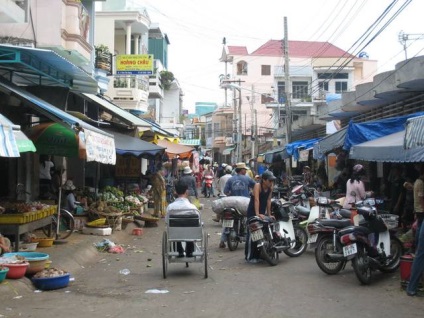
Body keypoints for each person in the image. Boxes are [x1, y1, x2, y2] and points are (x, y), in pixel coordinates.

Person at [219, 162, 256, 248]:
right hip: (244, 204)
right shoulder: (247, 179)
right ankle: (250, 238)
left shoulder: (231, 179)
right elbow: (256, 186)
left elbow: (225, 192)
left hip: (232, 204)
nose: (245, 171)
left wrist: (231, 194)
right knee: (249, 219)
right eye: (244, 169)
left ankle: (222, 240)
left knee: (227, 222)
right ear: (242, 170)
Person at [245, 170, 276, 263]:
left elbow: (269, 201)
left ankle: (260, 255)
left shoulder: (271, 188)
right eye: (270, 181)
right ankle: (249, 256)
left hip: (262, 212)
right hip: (252, 212)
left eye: (272, 181)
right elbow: (256, 200)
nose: (271, 183)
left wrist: (269, 214)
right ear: (264, 180)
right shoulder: (257, 186)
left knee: (261, 234)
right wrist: (257, 214)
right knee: (252, 235)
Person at [165, 181, 200, 258]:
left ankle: (179, 251)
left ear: (175, 192)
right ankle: (190, 251)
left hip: (175, 233)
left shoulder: (170, 207)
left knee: (174, 228)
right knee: (191, 227)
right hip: (191, 233)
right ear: (186, 191)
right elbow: (198, 222)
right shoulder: (193, 208)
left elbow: (166, 221)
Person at [406, 164, 424, 297]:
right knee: (420, 252)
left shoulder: (419, 182)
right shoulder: (420, 182)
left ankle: (411, 287)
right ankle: (411, 287)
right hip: (421, 215)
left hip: (421, 216)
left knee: (420, 253)